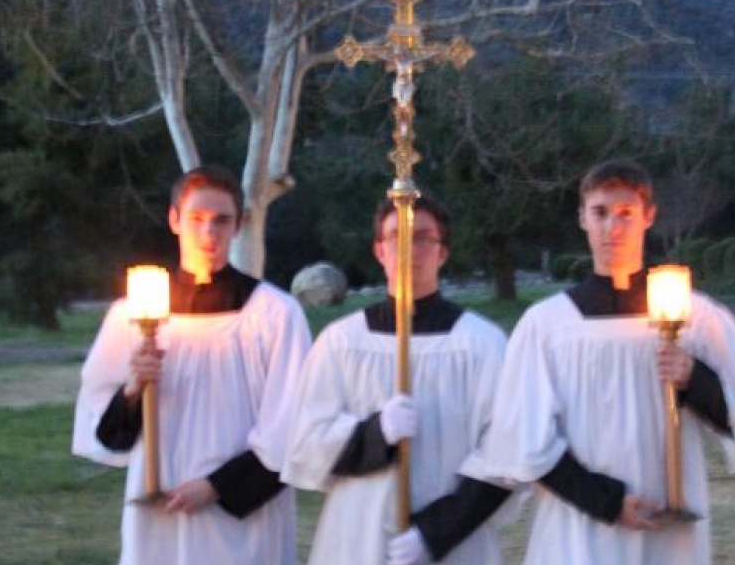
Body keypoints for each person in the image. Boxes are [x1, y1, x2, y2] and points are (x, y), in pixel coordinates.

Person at [472, 159, 735, 565]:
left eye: (626, 213)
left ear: (649, 217)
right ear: (582, 219)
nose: (613, 227)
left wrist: (694, 377)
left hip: (668, 518)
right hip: (581, 524)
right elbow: (524, 436)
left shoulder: (696, 316)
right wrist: (605, 503)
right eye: (600, 213)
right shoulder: (548, 324)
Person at [72, 166, 311, 565]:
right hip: (159, 505)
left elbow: (292, 423)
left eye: (222, 221)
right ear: (173, 220)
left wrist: (216, 487)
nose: (209, 235)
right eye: (196, 220)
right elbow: (108, 431)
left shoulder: (274, 314)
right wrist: (133, 388)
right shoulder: (131, 313)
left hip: (242, 512)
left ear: (239, 225)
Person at [282, 197, 513, 565]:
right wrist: (375, 434)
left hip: (453, 543)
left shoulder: (482, 344)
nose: (409, 249)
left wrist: (435, 532)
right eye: (396, 237)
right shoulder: (342, 342)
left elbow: (504, 456)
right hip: (358, 536)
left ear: (443, 252)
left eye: (423, 237)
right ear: (379, 250)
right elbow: (306, 442)